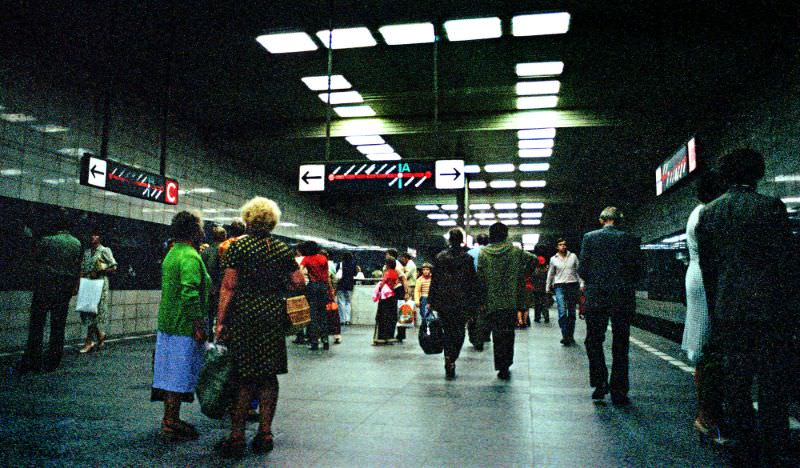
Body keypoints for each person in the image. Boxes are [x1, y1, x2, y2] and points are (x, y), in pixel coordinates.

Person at [695, 149, 798, 464]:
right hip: (769, 308)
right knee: (772, 380)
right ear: (758, 173)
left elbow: (708, 269)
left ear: (725, 176)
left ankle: (744, 444)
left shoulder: (709, 213)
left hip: (730, 308)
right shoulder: (771, 207)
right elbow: (786, 262)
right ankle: (775, 446)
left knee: (736, 379)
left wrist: (716, 309)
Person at [215, 197, 298, 457]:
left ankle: (237, 436)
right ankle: (265, 433)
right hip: (272, 316)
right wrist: (276, 290)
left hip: (245, 315)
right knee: (268, 376)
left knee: (243, 376)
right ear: (272, 221)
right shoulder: (282, 249)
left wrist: (220, 321)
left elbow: (228, 286)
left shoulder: (239, 248)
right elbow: (298, 282)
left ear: (248, 219)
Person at [151, 211, 209, 442]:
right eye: (200, 226)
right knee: (178, 374)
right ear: (193, 230)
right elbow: (190, 292)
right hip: (183, 324)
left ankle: (170, 417)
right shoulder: (190, 256)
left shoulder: (172, 253)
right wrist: (197, 324)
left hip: (167, 322)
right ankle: (171, 421)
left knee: (168, 373)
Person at [578, 207, 642, 405]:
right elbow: (638, 270)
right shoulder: (630, 239)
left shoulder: (589, 238)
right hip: (622, 298)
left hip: (596, 297)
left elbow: (582, 269)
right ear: (619, 221)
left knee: (594, 340)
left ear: (601, 220)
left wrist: (596, 283)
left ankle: (600, 383)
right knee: (621, 344)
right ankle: (619, 390)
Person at [680, 171, 726, 441]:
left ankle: (707, 413)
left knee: (703, 343)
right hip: (706, 279)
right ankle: (706, 414)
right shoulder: (707, 214)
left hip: (696, 275)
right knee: (708, 344)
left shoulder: (698, 212)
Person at [17, 208, 82, 373]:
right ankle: (53, 360)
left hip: (45, 285)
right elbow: (77, 267)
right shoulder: (77, 244)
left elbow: (34, 261)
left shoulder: (47, 241)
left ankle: (33, 358)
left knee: (38, 323)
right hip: (64, 288)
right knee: (58, 324)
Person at [477, 222, 533, 380]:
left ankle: (500, 365)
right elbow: (534, 261)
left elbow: (480, 279)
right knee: (508, 333)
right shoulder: (516, 251)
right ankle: (506, 364)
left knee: (497, 334)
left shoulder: (483, 253)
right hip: (511, 300)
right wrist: (520, 274)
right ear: (506, 235)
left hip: (492, 301)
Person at [429, 230, 480, 379]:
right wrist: (474, 303)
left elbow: (435, 281)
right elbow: (472, 283)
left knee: (446, 330)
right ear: (462, 240)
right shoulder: (467, 259)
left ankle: (448, 357)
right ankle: (452, 357)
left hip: (443, 302)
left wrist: (431, 301)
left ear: (449, 240)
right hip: (461, 302)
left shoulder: (440, 258)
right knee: (458, 332)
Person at [78, 229, 118, 353]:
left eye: (95, 235)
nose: (92, 237)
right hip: (87, 283)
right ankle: (100, 335)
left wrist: (101, 270)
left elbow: (114, 267)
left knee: (93, 312)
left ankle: (89, 341)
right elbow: (82, 268)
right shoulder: (87, 252)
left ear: (100, 237)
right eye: (91, 234)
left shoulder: (104, 250)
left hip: (99, 284)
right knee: (87, 311)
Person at [546, 239, 583, 346]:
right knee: (562, 310)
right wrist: (547, 287)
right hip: (559, 286)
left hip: (572, 285)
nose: (563, 246)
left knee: (571, 312)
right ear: (557, 247)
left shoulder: (573, 256)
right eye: (561, 245)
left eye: (565, 244)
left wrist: (581, 283)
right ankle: (565, 335)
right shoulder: (553, 259)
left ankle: (570, 335)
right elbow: (551, 273)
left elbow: (578, 271)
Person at [298, 242, 334, 350]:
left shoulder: (306, 259)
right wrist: (330, 289)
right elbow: (327, 275)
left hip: (312, 287)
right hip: (323, 287)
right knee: (323, 314)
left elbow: (300, 271)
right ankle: (325, 340)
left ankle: (314, 342)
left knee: (313, 315)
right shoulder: (323, 258)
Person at [201, 225, 227, 339]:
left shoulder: (205, 251)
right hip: (217, 290)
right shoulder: (222, 251)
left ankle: (209, 337)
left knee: (209, 316)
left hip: (206, 289)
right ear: (224, 237)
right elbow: (213, 268)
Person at [467, 233, 489, 349]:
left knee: (472, 313)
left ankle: (474, 337)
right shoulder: (491, 253)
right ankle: (484, 335)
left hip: (471, 287)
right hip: (487, 286)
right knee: (484, 312)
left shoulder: (470, 253)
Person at [384, 249, 409, 342]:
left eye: (387, 255)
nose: (385, 256)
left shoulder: (396, 266)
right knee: (394, 313)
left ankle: (399, 334)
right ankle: (394, 334)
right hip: (392, 291)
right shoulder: (388, 266)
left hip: (398, 291)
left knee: (398, 313)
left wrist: (406, 293)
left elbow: (404, 279)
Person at [374, 257, 400, 345]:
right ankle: (390, 336)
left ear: (388, 264)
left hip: (385, 298)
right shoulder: (396, 273)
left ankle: (382, 337)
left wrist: (379, 290)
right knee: (391, 317)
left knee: (382, 316)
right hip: (393, 296)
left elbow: (383, 283)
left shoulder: (387, 273)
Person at [397, 252, 417, 340]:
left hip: (409, 286)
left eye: (402, 258)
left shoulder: (410, 265)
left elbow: (405, 275)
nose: (401, 260)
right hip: (409, 286)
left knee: (406, 307)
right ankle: (408, 322)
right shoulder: (409, 264)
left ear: (406, 258)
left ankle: (407, 323)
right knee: (408, 307)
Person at [336, 252, 357, 326]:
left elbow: (337, 274)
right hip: (349, 285)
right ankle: (348, 320)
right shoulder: (353, 264)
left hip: (341, 285)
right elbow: (355, 274)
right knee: (348, 302)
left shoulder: (340, 264)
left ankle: (342, 320)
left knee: (341, 302)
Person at [532, 255, 550, 323]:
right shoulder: (546, 270)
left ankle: (537, 317)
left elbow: (532, 279)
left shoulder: (535, 270)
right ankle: (546, 317)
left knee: (537, 303)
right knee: (545, 303)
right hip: (544, 288)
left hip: (536, 288)